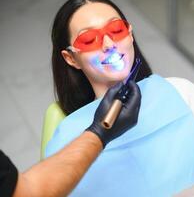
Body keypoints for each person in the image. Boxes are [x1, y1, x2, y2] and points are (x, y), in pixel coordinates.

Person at [45, 0, 194, 196]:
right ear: (71, 58)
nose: (109, 44)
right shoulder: (69, 140)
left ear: (130, 34)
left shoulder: (182, 93)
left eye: (116, 29)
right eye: (89, 39)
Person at [0, 81, 141, 197]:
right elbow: (28, 191)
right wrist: (99, 132)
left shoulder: (161, 89)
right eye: (88, 44)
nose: (108, 45)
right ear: (71, 58)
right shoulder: (64, 133)